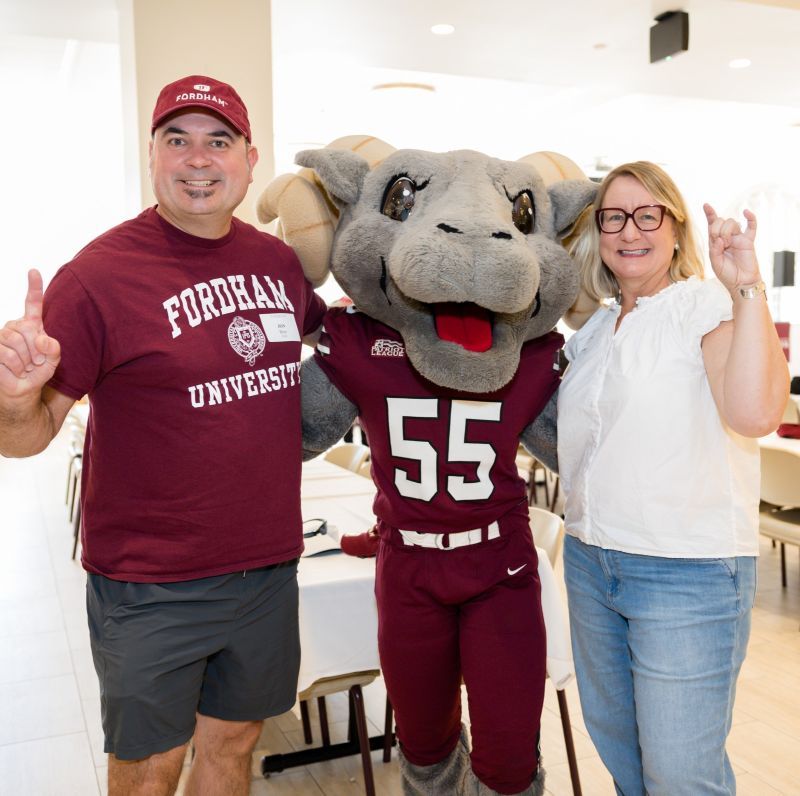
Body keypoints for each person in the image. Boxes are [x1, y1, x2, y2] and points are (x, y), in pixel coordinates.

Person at [0, 75, 326, 795]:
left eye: (218, 141)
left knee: (234, 746)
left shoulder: (278, 265)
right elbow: (22, 440)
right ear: (152, 155)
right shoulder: (96, 278)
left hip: (268, 567)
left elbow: (335, 350)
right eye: (177, 140)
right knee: (149, 771)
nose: (198, 160)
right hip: (150, 583)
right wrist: (16, 398)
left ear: (250, 156)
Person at [556, 161, 789, 795]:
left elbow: (754, 412)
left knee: (682, 776)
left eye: (647, 214)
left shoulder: (704, 305)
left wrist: (747, 287)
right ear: (598, 233)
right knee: (624, 756)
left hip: (684, 572)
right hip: (590, 561)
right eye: (613, 217)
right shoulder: (594, 332)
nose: (629, 230)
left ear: (675, 226)